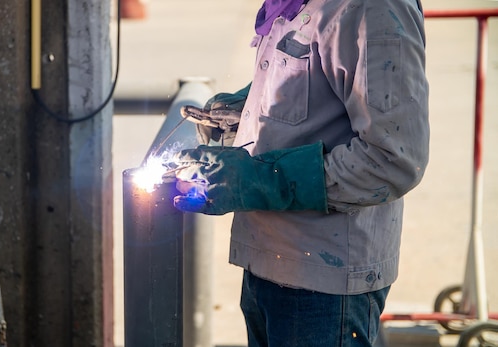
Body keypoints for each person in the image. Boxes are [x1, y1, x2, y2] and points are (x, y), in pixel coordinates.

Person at [173, 0, 430, 345]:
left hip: (323, 286)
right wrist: (251, 108)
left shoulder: (372, 7)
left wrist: (259, 180)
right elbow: (321, 85)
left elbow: (393, 160)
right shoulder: (297, 4)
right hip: (269, 262)